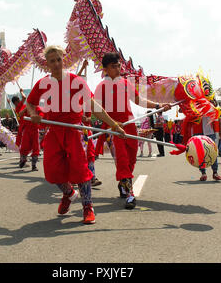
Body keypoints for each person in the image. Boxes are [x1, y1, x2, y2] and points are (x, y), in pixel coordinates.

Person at [26, 45, 126, 225]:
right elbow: (30, 102)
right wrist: (33, 114)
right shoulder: (43, 83)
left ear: (63, 59)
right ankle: (69, 193)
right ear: (47, 64)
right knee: (51, 170)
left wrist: (114, 125)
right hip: (54, 131)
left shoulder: (76, 81)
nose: (56, 64)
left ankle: (88, 207)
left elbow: (95, 107)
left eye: (58, 59)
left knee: (81, 170)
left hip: (75, 130)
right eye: (52, 61)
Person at [94, 53, 171, 209]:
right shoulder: (101, 87)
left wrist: (158, 106)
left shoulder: (125, 83)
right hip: (113, 129)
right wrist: (111, 124)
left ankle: (124, 183)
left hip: (129, 127)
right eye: (113, 66)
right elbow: (96, 108)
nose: (117, 68)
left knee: (131, 159)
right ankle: (130, 195)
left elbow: (139, 100)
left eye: (118, 65)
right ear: (106, 69)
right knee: (122, 160)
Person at [192, 115, 221, 181]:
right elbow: (183, 111)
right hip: (198, 131)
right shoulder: (193, 105)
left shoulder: (211, 105)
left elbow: (217, 115)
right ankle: (203, 173)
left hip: (210, 131)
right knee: (200, 153)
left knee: (213, 152)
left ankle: (215, 172)